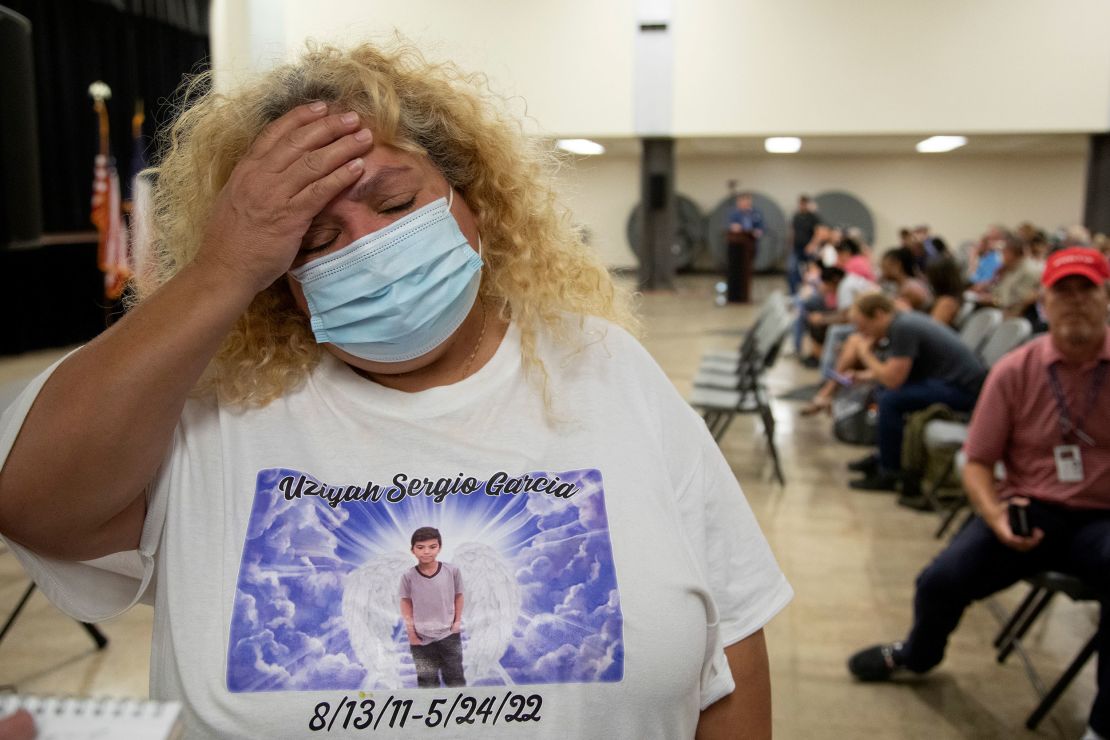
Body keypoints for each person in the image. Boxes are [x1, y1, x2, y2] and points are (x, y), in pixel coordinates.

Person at [0, 41, 791, 739]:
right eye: (317, 237)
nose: (370, 249)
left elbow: (731, 645)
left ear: (472, 200)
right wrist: (221, 269)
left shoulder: (603, 368)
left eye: (394, 203)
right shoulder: (209, 413)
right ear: (284, 277)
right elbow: (33, 500)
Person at [847, 248, 1110, 740]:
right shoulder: (1016, 371)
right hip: (1028, 509)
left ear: (1105, 298)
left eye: (1087, 290)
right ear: (1045, 302)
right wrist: (993, 515)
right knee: (939, 582)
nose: (1075, 302)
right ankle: (917, 655)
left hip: (1102, 520)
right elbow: (979, 461)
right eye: (1063, 292)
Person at [845, 293, 986, 491]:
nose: (863, 333)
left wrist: (865, 354)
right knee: (883, 390)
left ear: (878, 315)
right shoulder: (902, 322)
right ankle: (884, 456)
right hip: (948, 382)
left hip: (963, 390)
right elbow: (897, 370)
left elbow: (894, 380)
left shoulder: (903, 328)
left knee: (890, 400)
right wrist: (865, 376)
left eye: (864, 326)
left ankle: (890, 471)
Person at [400, 527, 465, 688]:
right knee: (426, 680)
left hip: (448, 634)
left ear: (439, 548)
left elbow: (459, 595)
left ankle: (458, 711)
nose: (426, 552)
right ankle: (429, 710)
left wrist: (457, 623)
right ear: (413, 550)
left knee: (455, 677)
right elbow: (406, 603)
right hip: (421, 638)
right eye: (420, 547)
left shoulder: (452, 571)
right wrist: (412, 634)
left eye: (432, 547)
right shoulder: (408, 576)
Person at [726, 192, 765, 303]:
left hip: (749, 247)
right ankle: (735, 295)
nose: (742, 204)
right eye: (740, 202)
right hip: (736, 248)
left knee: (747, 271)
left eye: (744, 201)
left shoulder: (756, 214)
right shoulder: (735, 214)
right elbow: (731, 227)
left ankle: (745, 295)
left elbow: (760, 228)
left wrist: (757, 232)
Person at [788, 195, 820, 295]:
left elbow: (818, 232)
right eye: (801, 204)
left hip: (809, 248)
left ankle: (812, 292)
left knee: (811, 271)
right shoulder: (796, 216)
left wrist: (812, 245)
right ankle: (793, 293)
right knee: (792, 269)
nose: (802, 206)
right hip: (797, 248)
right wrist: (791, 243)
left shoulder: (813, 217)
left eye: (804, 204)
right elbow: (793, 230)